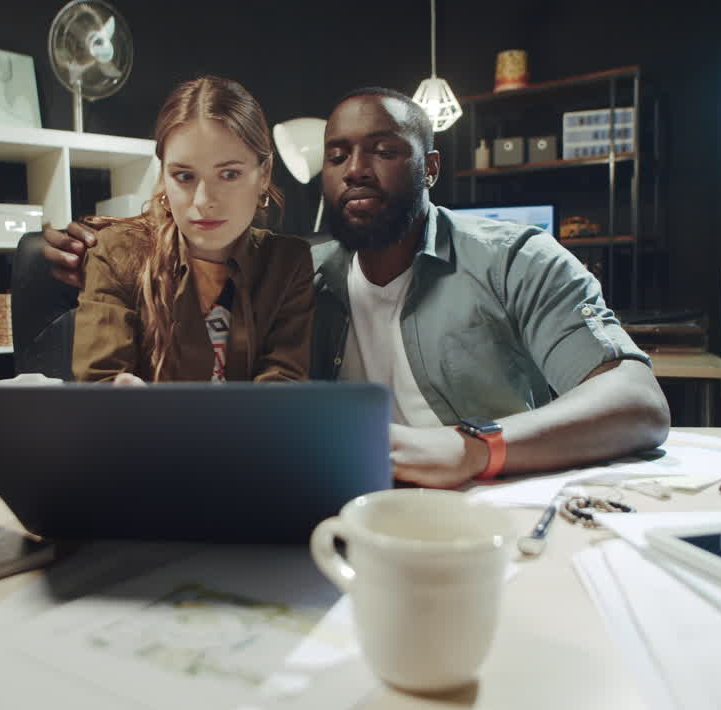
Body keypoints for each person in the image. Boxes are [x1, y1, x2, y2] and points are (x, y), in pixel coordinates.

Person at [45, 87, 670, 487]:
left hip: (497, 506)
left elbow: (638, 401)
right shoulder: (308, 274)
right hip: (353, 513)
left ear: (430, 167)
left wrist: (477, 450)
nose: (355, 170)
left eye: (383, 150)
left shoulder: (515, 260)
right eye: (337, 154)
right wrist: (98, 253)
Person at [69, 76, 313, 385]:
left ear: (264, 173)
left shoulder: (288, 264)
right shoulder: (117, 253)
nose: (203, 201)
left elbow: (284, 388)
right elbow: (100, 385)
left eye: (229, 174)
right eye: (184, 176)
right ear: (164, 175)